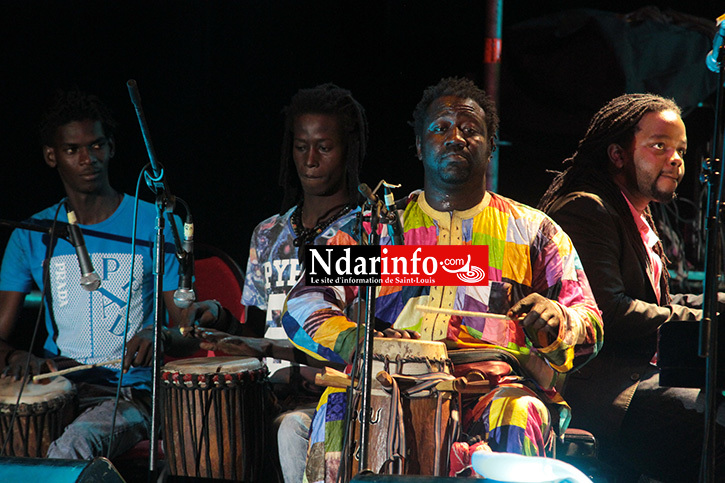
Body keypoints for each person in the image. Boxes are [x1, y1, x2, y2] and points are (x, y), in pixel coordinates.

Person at [280, 77, 603, 482]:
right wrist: (353, 341)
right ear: (419, 146)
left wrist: (557, 321)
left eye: (470, 130)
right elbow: (304, 302)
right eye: (440, 128)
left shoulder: (533, 232)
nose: (455, 137)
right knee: (339, 410)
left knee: (520, 413)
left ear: (489, 148)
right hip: (389, 381)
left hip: (493, 388)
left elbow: (589, 320)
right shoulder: (377, 229)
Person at [181, 83, 367, 483]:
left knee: (288, 430)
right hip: (267, 387)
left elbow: (350, 338)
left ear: (348, 149)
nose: (311, 160)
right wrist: (220, 318)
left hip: (328, 390)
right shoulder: (268, 232)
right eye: (301, 147)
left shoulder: (364, 232)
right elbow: (256, 325)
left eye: (324, 147)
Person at [538, 93, 725, 481]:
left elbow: (656, 303)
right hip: (601, 392)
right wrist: (705, 315)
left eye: (680, 150)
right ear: (618, 154)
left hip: (636, 378)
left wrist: (717, 302)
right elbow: (610, 310)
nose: (676, 159)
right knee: (713, 431)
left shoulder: (634, 213)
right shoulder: (585, 209)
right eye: (660, 146)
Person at [0, 89, 189, 460]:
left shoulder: (157, 223)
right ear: (51, 156)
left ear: (112, 147)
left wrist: (160, 333)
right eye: (73, 150)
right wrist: (16, 358)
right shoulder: (32, 234)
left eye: (97, 145)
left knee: (75, 445)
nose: (88, 159)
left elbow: (188, 328)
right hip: (57, 387)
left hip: (133, 394)